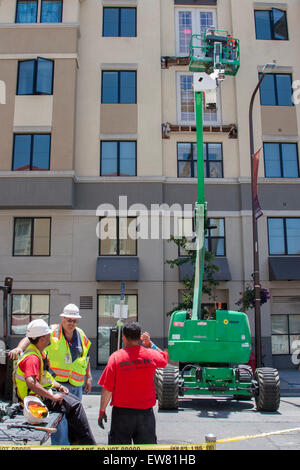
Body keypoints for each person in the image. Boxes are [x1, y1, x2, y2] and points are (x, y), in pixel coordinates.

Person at [9, 303, 92, 445]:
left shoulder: (81, 335)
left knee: (74, 421)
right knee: (60, 425)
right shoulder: (50, 332)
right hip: (53, 386)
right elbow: (30, 338)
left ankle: (76, 445)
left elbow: (85, 356)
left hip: (73, 385)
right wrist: (18, 348)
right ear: (62, 319)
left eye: (74, 320)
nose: (72, 323)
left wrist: (89, 377)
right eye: (69, 320)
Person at [97, 322, 168, 445]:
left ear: (123, 337)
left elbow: (107, 389)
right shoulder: (150, 355)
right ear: (139, 337)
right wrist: (150, 344)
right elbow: (164, 359)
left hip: (122, 414)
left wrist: (102, 411)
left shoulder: (116, 358)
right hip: (146, 414)